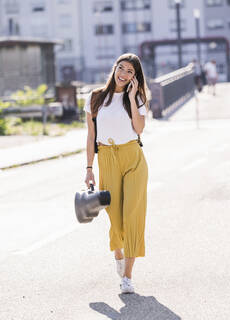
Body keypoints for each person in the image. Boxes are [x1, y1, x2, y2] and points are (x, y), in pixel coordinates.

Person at [83, 53, 149, 294]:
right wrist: (89, 168)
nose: (124, 74)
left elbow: (139, 128)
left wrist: (132, 98)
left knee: (133, 215)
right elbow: (91, 136)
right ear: (115, 68)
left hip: (133, 158)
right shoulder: (96, 98)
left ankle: (128, 278)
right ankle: (118, 252)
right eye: (121, 68)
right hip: (107, 157)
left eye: (130, 72)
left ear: (135, 77)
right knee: (115, 217)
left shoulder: (137, 98)